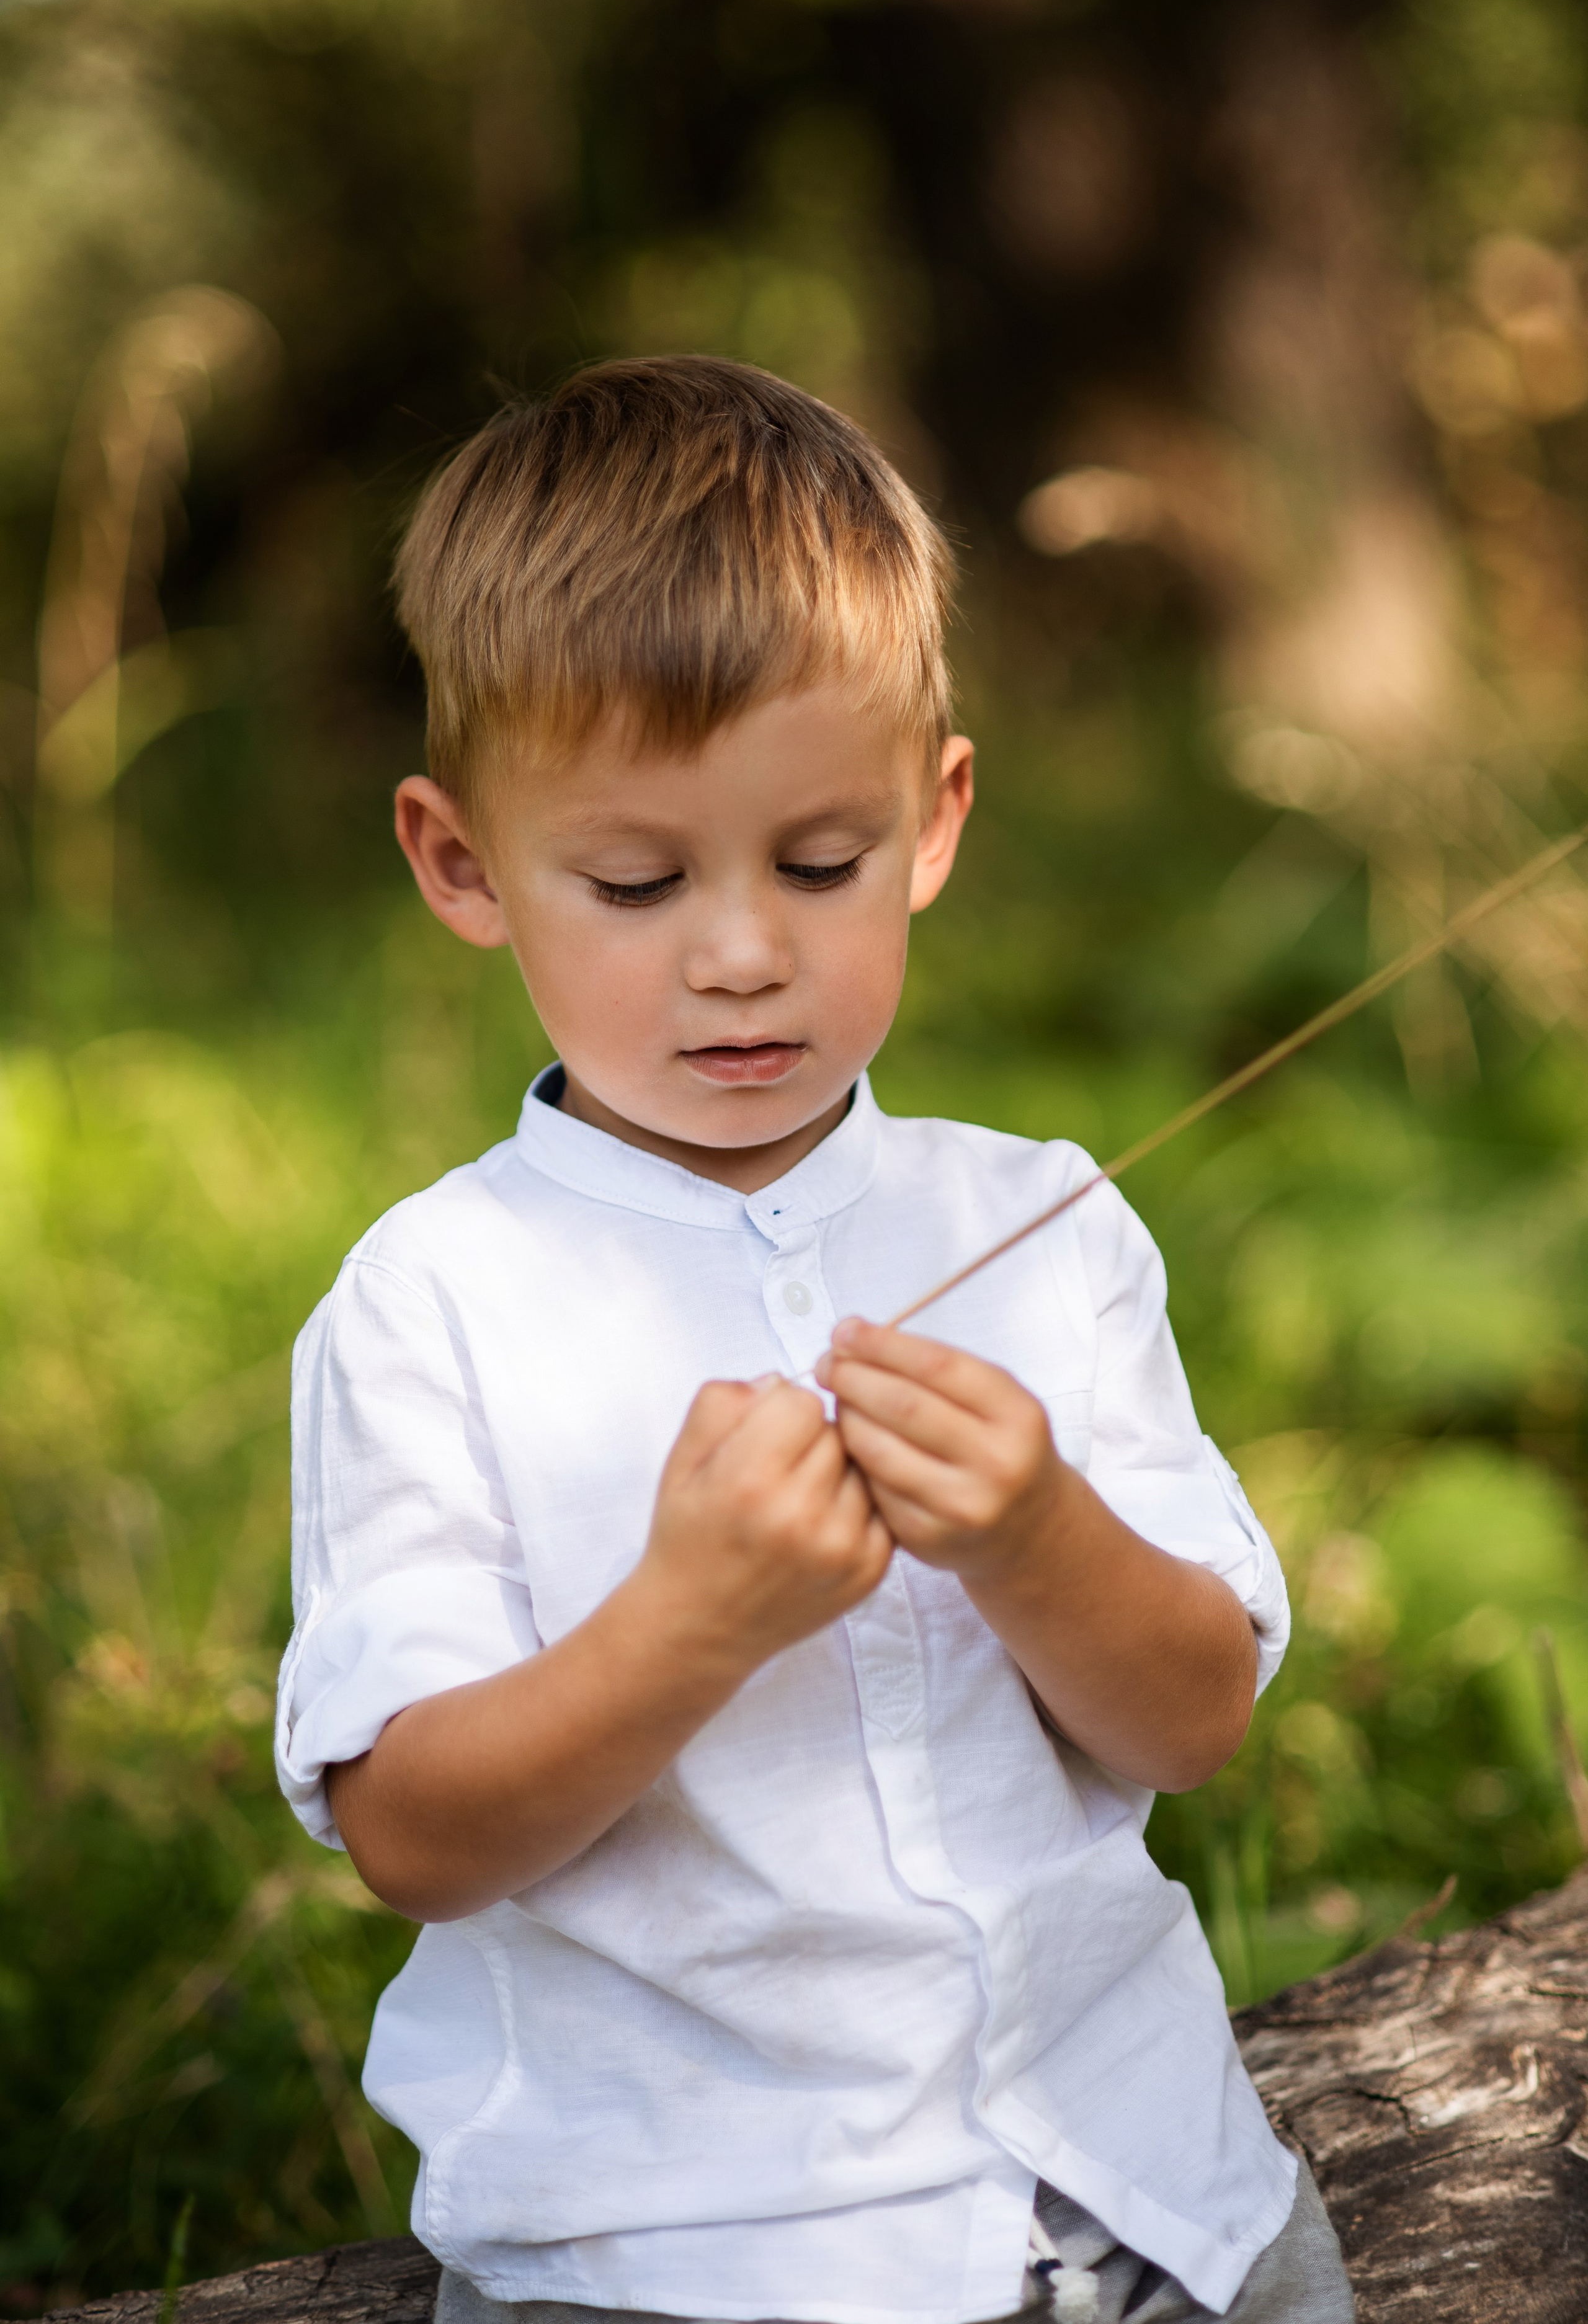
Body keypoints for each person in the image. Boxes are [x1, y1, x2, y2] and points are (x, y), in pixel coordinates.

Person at [275, 356, 1354, 2324]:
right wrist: (684, 1620)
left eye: (820, 861)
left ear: (936, 818)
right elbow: (413, 1831)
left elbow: (1191, 1719)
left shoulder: (1034, 1220)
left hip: (1141, 2183)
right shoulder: (434, 1298)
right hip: (675, 2249)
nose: (743, 950)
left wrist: (1038, 1533)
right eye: (635, 880)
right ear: (460, 864)